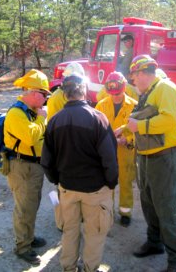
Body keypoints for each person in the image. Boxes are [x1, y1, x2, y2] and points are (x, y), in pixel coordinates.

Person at [41, 71, 118, 272]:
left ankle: (68, 268)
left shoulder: (54, 121)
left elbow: (46, 161)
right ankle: (90, 269)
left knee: (69, 231)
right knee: (94, 234)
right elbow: (110, 158)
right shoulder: (98, 119)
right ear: (84, 91)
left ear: (65, 94)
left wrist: (58, 181)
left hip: (67, 188)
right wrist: (111, 183)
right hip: (95, 190)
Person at [116, 55, 176, 272]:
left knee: (166, 208)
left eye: (134, 75)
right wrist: (125, 129)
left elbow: (169, 120)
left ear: (144, 72)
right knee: (148, 203)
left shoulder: (166, 88)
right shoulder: (148, 93)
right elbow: (140, 118)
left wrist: (140, 127)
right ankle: (155, 243)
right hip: (146, 156)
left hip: (165, 157)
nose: (132, 80)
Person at [4, 69, 50, 266]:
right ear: (33, 93)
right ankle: (22, 247)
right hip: (22, 167)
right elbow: (31, 136)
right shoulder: (16, 113)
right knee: (24, 208)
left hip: (33, 166)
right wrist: (43, 118)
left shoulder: (31, 112)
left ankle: (29, 238)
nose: (46, 98)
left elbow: (40, 137)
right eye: (44, 94)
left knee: (31, 205)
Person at [46, 62, 86, 231]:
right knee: (62, 188)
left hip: (74, 146)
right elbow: (54, 126)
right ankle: (62, 222)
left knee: (75, 187)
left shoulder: (75, 94)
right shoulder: (56, 98)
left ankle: (76, 216)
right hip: (63, 147)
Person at [95, 71, 137, 227]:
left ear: (124, 87)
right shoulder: (101, 105)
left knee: (126, 183)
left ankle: (125, 213)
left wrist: (128, 139)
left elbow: (138, 130)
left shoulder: (134, 105)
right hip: (107, 151)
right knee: (107, 182)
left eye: (118, 91)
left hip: (126, 151)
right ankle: (108, 211)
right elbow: (97, 128)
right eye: (112, 92)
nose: (115, 95)